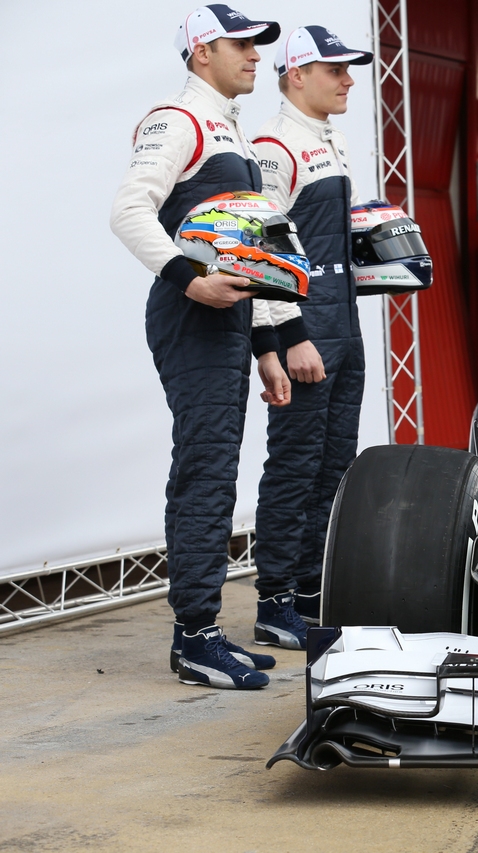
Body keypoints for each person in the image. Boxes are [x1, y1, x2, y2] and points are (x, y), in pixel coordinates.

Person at [109, 5, 285, 689]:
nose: (255, 56)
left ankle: (206, 626)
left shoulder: (229, 130)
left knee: (216, 468)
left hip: (229, 320)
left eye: (256, 45)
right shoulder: (177, 118)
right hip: (192, 315)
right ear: (201, 51)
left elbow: (257, 252)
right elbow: (128, 209)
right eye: (241, 45)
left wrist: (267, 345)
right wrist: (189, 279)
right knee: (205, 469)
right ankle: (193, 638)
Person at [249, 25, 373, 644]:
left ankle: (307, 593)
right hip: (307, 332)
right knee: (295, 467)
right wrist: (281, 340)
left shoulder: (331, 140)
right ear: (296, 74)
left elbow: (323, 244)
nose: (349, 79)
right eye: (336, 70)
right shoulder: (272, 145)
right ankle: (275, 605)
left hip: (343, 327)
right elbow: (262, 252)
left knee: (334, 469)